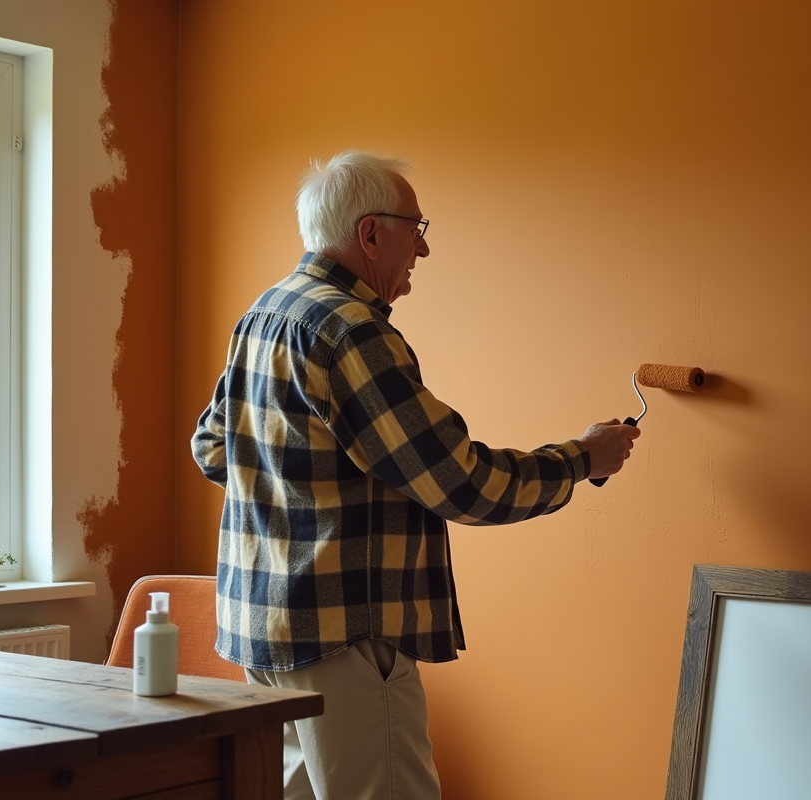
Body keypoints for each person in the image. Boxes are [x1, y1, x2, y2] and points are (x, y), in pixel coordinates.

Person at [191, 150, 641, 800]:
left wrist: (297, 484)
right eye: (417, 229)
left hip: (265, 628)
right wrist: (581, 459)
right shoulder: (351, 333)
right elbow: (458, 481)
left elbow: (212, 448)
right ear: (371, 234)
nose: (423, 251)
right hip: (343, 635)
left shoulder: (265, 312)